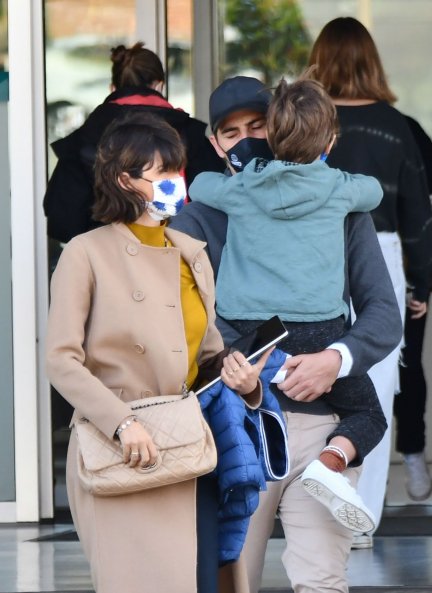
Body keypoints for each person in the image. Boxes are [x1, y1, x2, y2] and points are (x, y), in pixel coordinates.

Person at [170, 75, 403, 593]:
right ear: (214, 143)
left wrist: (336, 359)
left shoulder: (339, 210)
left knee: (322, 582)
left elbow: (383, 313)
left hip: (320, 424)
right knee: (230, 581)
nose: (246, 139)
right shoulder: (193, 223)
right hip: (235, 432)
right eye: (231, 133)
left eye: (257, 126)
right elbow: (173, 330)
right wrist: (225, 364)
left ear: (279, 131)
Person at [45, 112, 272, 593]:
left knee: (204, 580)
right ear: (125, 180)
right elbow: (61, 358)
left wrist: (245, 383)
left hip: (191, 447)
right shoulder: (85, 253)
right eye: (162, 173)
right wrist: (122, 422)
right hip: (126, 452)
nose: (176, 182)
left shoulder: (191, 251)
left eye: (178, 170)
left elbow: (207, 356)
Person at [309, 16, 432, 548]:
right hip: (380, 253)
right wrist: (421, 284)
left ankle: (314, 513)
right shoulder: (398, 127)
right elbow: (418, 217)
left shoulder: (304, 123)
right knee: (375, 391)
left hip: (310, 255)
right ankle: (360, 521)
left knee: (314, 383)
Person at [43, 41, 224, 243]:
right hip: (176, 258)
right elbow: (214, 212)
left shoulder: (83, 139)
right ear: (159, 85)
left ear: (112, 88)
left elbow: (63, 222)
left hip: (105, 261)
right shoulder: (191, 134)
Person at [393, 114, 432, 501]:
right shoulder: (398, 124)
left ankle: (412, 451)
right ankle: (413, 454)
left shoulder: (398, 126)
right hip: (403, 262)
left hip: (401, 260)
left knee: (404, 364)